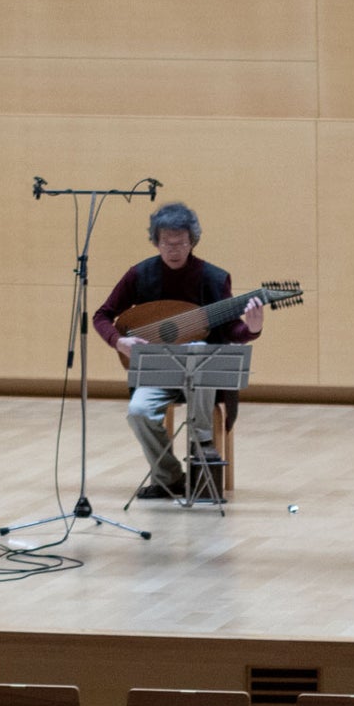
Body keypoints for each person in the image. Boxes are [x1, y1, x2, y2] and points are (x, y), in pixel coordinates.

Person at [93, 202, 263, 499]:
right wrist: (119, 341)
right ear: (156, 242)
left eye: (181, 243)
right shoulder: (140, 275)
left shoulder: (213, 278)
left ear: (192, 241)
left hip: (203, 380)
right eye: (166, 244)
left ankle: (202, 447)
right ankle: (169, 477)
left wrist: (252, 328)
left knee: (199, 350)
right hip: (156, 372)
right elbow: (102, 316)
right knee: (139, 411)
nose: (173, 250)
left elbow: (229, 330)